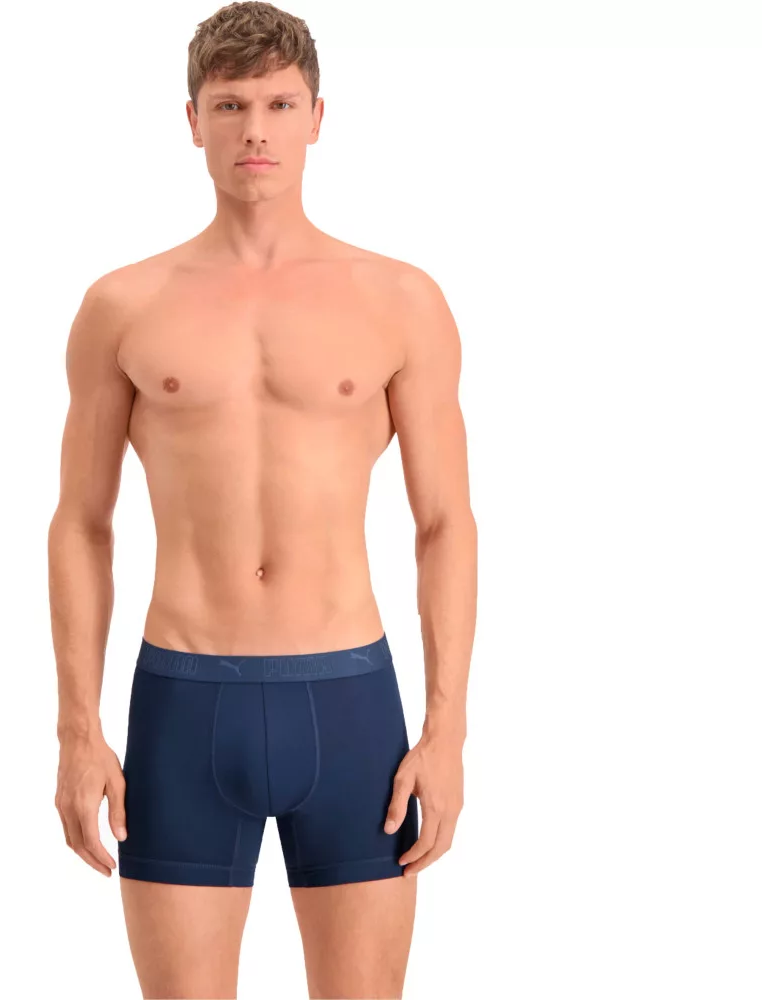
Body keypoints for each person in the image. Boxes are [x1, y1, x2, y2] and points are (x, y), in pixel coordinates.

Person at [47, 2, 477, 996]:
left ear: (318, 118)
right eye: (230, 104)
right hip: (182, 702)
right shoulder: (123, 304)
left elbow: (444, 524)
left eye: (280, 104)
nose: (255, 129)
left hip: (350, 703)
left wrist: (447, 730)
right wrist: (76, 726)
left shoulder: (399, 299)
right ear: (192, 120)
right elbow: (81, 522)